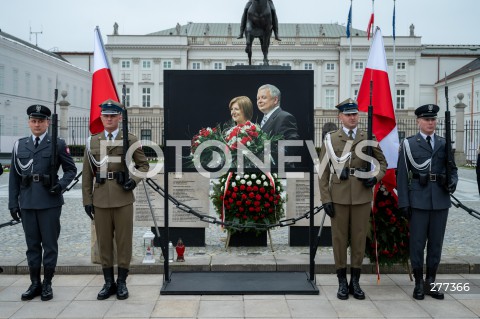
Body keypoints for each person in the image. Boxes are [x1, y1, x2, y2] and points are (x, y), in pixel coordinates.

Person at [318, 99, 387, 300]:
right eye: (348, 114)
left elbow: (382, 163)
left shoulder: (368, 137)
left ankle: (355, 281)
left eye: (355, 114)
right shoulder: (331, 139)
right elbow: (322, 172)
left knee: (358, 239)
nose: (352, 117)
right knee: (339, 240)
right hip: (338, 197)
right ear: (340, 117)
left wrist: (374, 178)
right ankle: (341, 281)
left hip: (361, 196)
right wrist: (325, 199)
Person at [82, 100, 149, 300]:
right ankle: (108, 282)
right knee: (104, 243)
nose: (109, 118)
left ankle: (121, 282)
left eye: (113, 115)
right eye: (106, 115)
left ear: (120, 117)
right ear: (101, 117)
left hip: (123, 197)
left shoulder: (130, 138)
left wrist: (133, 181)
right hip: (100, 197)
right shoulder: (92, 141)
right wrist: (87, 199)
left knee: (123, 241)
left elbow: (144, 166)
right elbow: (87, 173)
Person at [8, 104, 77, 301]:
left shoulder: (57, 143)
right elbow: (14, 176)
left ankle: (47, 283)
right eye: (33, 121)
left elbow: (71, 169)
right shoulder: (19, 145)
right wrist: (13, 203)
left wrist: (61, 185)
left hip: (49, 201)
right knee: (32, 245)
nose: (37, 124)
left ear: (48, 122)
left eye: (41, 121)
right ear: (29, 122)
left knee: (49, 244)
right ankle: (34, 283)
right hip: (28, 201)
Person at [397, 104, 458, 301]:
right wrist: (404, 203)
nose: (430, 122)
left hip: (440, 200)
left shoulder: (443, 142)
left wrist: (452, 182)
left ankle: (430, 282)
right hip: (418, 200)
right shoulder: (409, 144)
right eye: (426, 119)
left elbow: (453, 169)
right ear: (419, 121)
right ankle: (418, 283)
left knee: (436, 244)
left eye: (433, 119)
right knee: (417, 244)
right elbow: (401, 176)